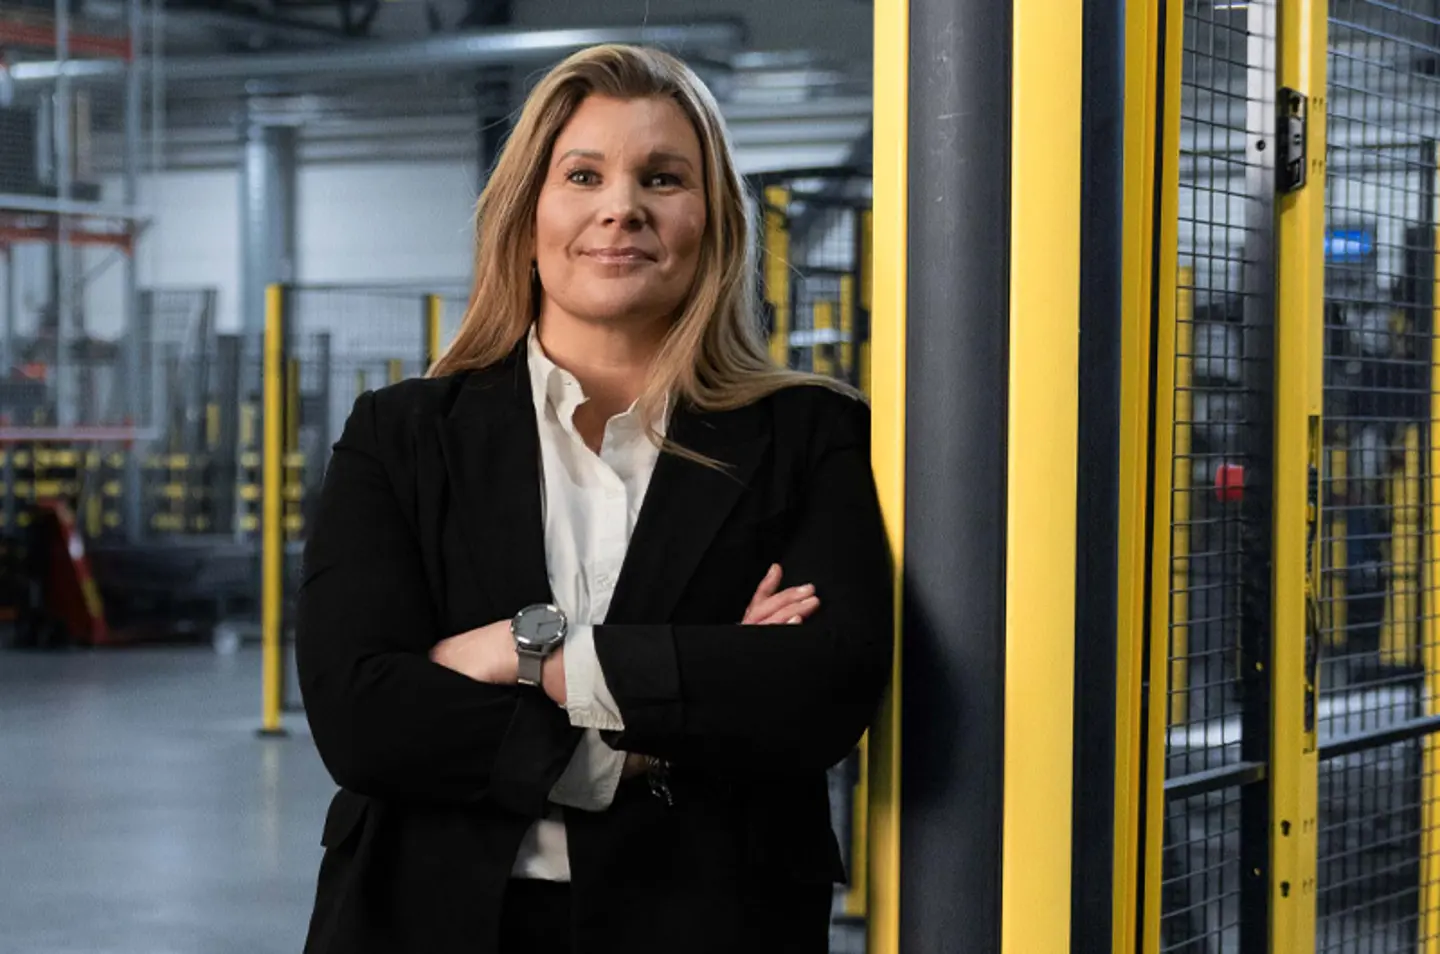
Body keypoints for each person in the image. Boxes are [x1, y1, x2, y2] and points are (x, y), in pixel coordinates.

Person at [295, 42, 893, 954]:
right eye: (583, 175)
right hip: (429, 920)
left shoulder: (810, 433)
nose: (622, 207)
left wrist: (524, 657)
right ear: (527, 213)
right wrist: (665, 714)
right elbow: (360, 714)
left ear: (713, 220)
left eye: (663, 178)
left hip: (713, 923)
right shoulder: (402, 433)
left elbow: (820, 693)